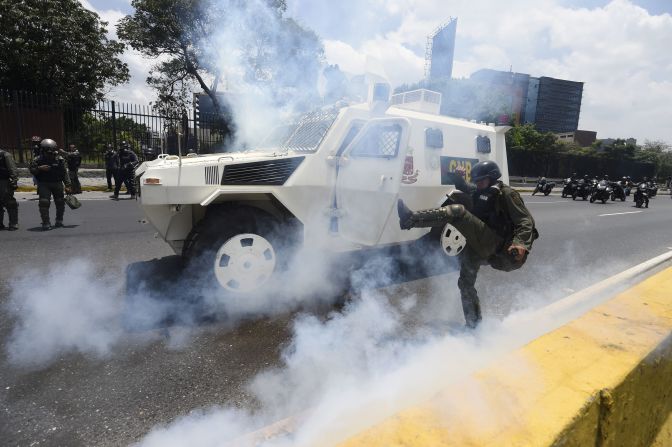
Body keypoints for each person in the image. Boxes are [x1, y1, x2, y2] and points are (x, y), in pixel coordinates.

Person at [397, 160, 538, 329]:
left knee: (458, 212)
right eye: (476, 181)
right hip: (484, 246)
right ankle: (474, 326)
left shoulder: (506, 194)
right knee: (465, 283)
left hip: (503, 249)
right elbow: (465, 186)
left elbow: (525, 220)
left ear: (492, 178)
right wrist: (452, 174)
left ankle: (410, 219)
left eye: (481, 180)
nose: (478, 184)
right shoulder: (480, 191)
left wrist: (520, 243)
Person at [29, 139, 71, 230]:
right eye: (47, 151)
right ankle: (46, 222)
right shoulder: (37, 159)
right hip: (44, 184)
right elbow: (32, 170)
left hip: (57, 183)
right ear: (43, 150)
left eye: (51, 150)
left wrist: (68, 185)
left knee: (60, 202)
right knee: (44, 203)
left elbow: (64, 173)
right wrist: (39, 168)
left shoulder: (59, 159)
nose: (50, 153)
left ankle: (59, 220)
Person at [0, 148, 19, 230]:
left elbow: (12, 168)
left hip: (4, 181)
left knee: (9, 202)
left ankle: (13, 223)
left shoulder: (5, 155)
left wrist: (14, 180)